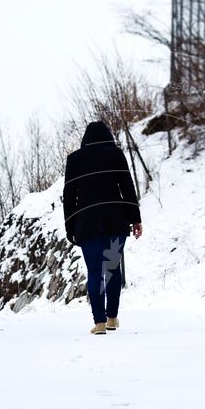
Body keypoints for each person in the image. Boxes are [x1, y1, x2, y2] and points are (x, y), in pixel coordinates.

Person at [62, 120, 143, 334]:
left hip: (87, 225)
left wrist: (69, 226)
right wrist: (135, 218)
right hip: (116, 222)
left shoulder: (75, 160)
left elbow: (69, 196)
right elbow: (127, 187)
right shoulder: (116, 155)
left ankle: (99, 323)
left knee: (95, 271)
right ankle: (112, 318)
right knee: (112, 269)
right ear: (108, 136)